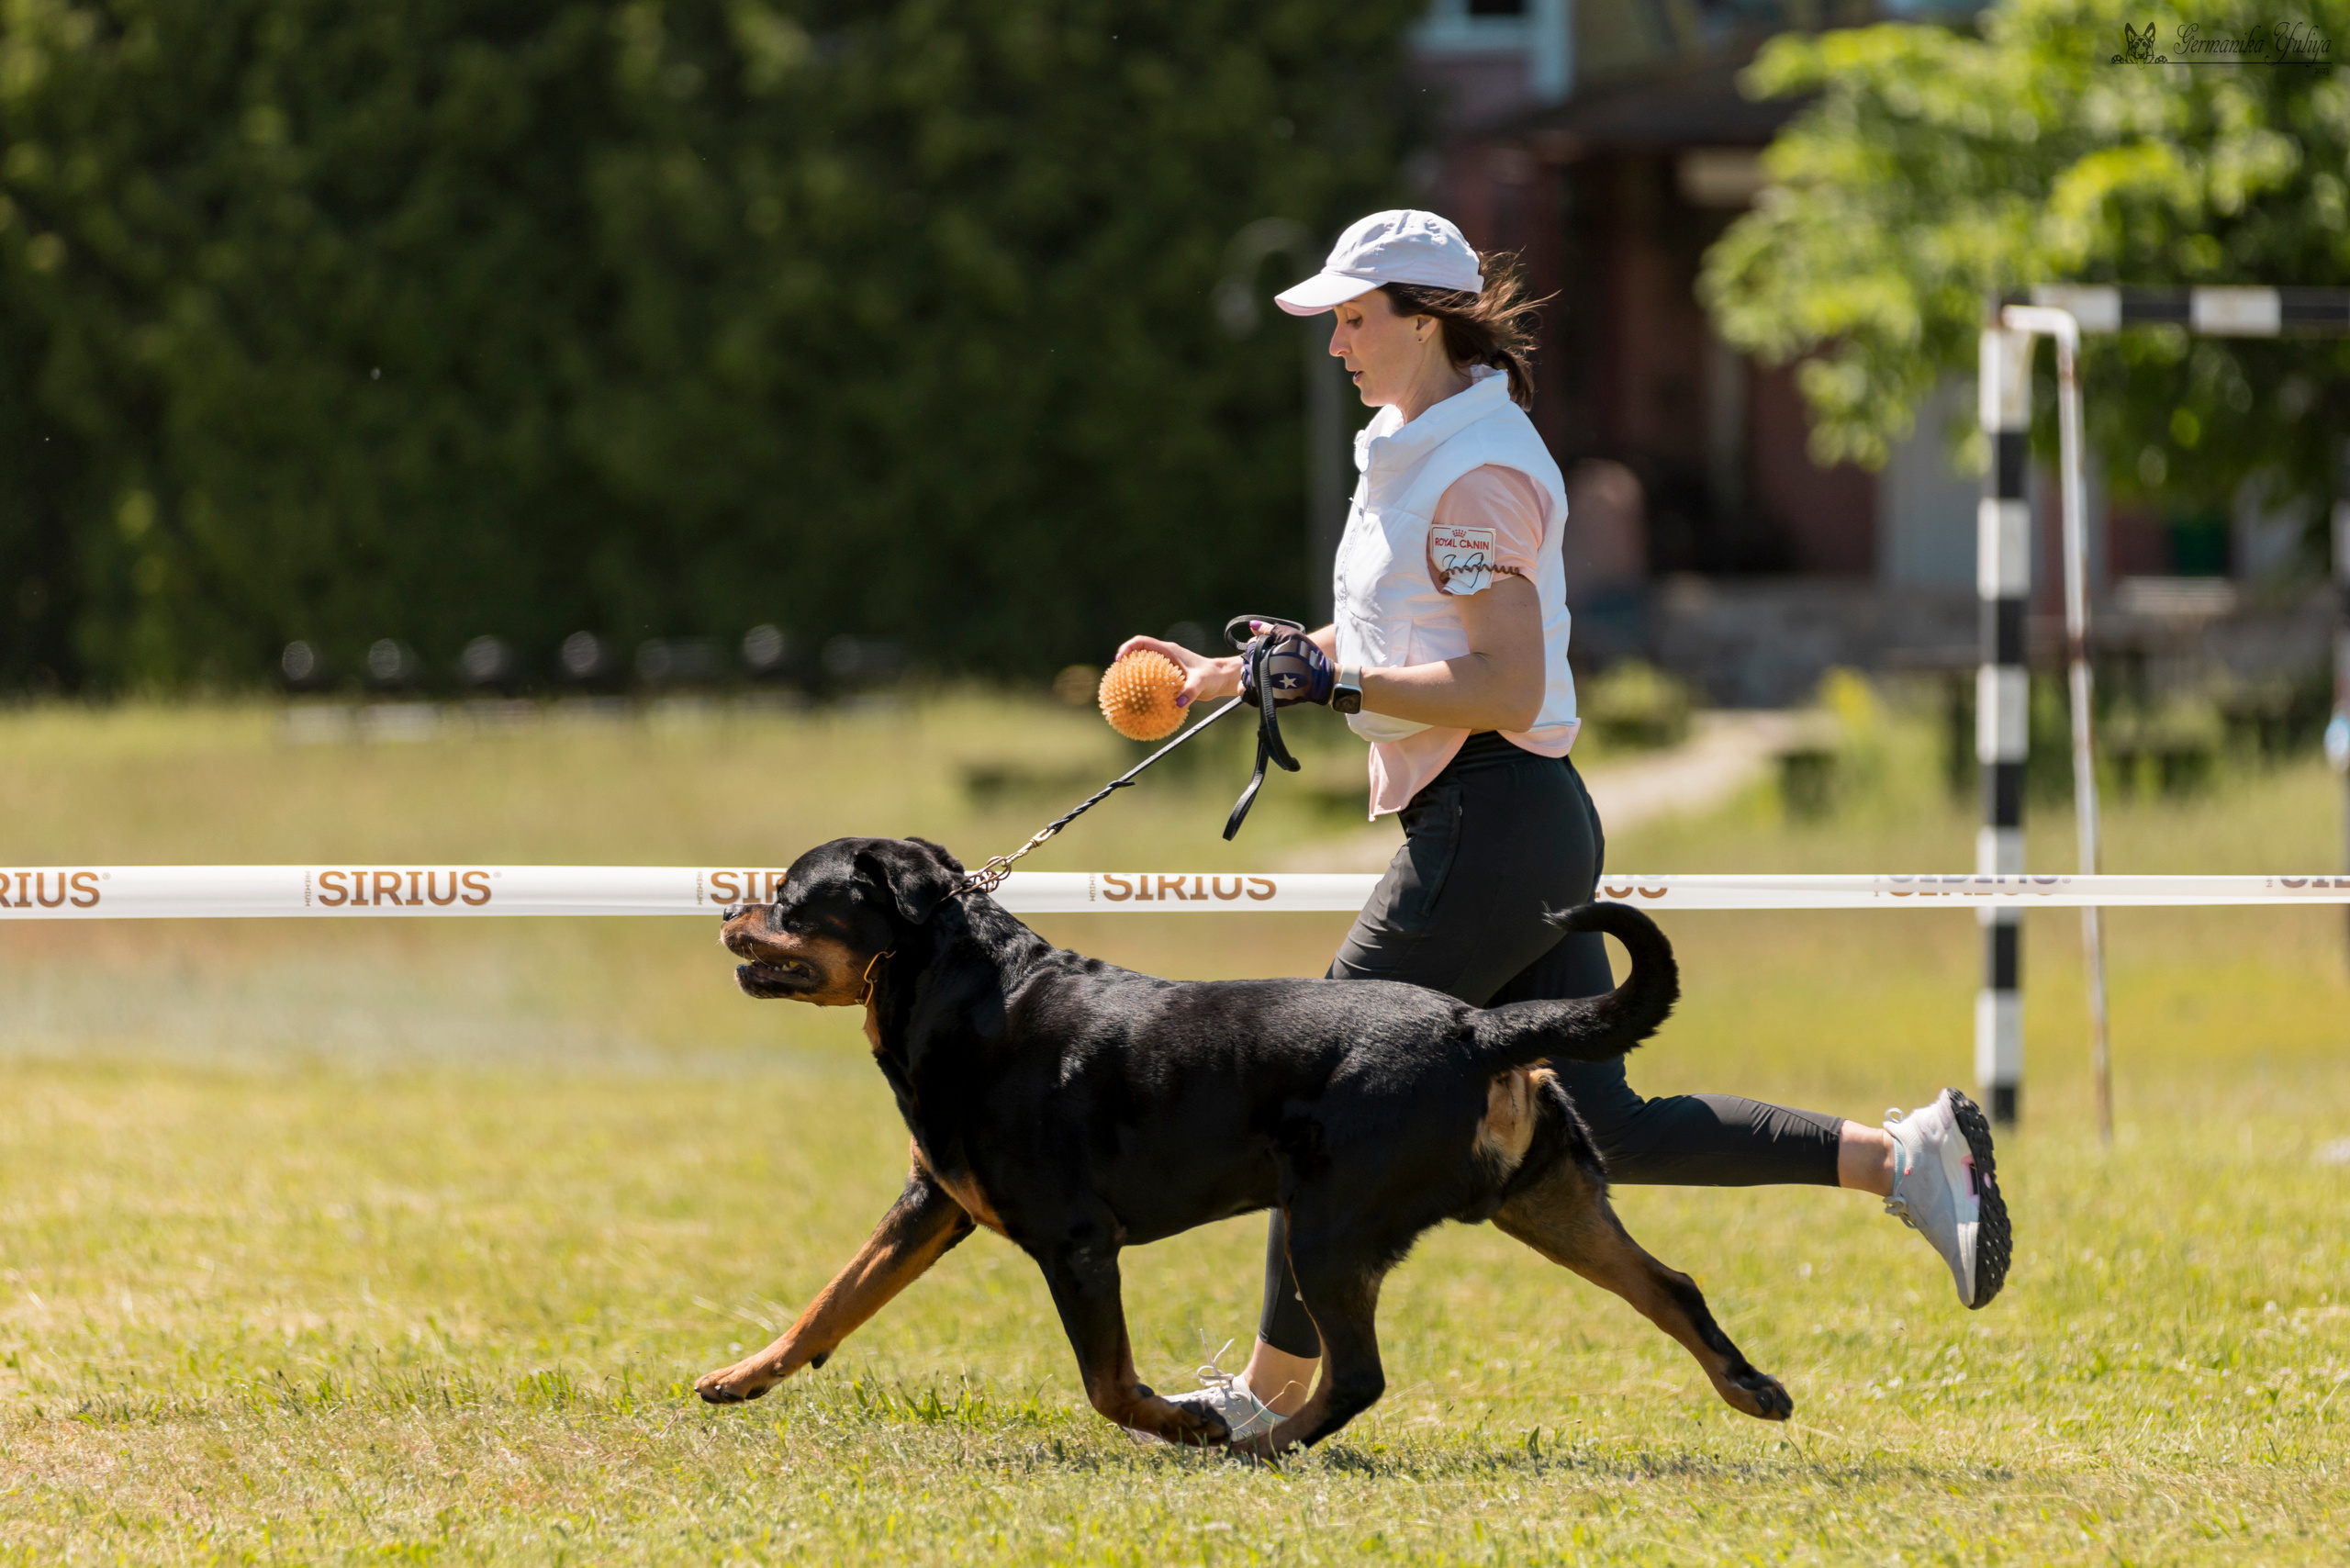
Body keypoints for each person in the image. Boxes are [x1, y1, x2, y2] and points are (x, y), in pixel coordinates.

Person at [1113, 210, 2009, 1441]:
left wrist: (1347, 689)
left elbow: (1504, 684)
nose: (1336, 344)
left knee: (1317, 1082)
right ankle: (1906, 1159)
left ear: (1426, 321)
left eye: (1357, 319)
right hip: (1507, 824)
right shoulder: (1408, 441)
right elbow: (1388, 647)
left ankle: (1261, 1402)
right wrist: (1240, 676)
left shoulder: (1477, 469)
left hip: (1492, 818)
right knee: (1608, 1124)